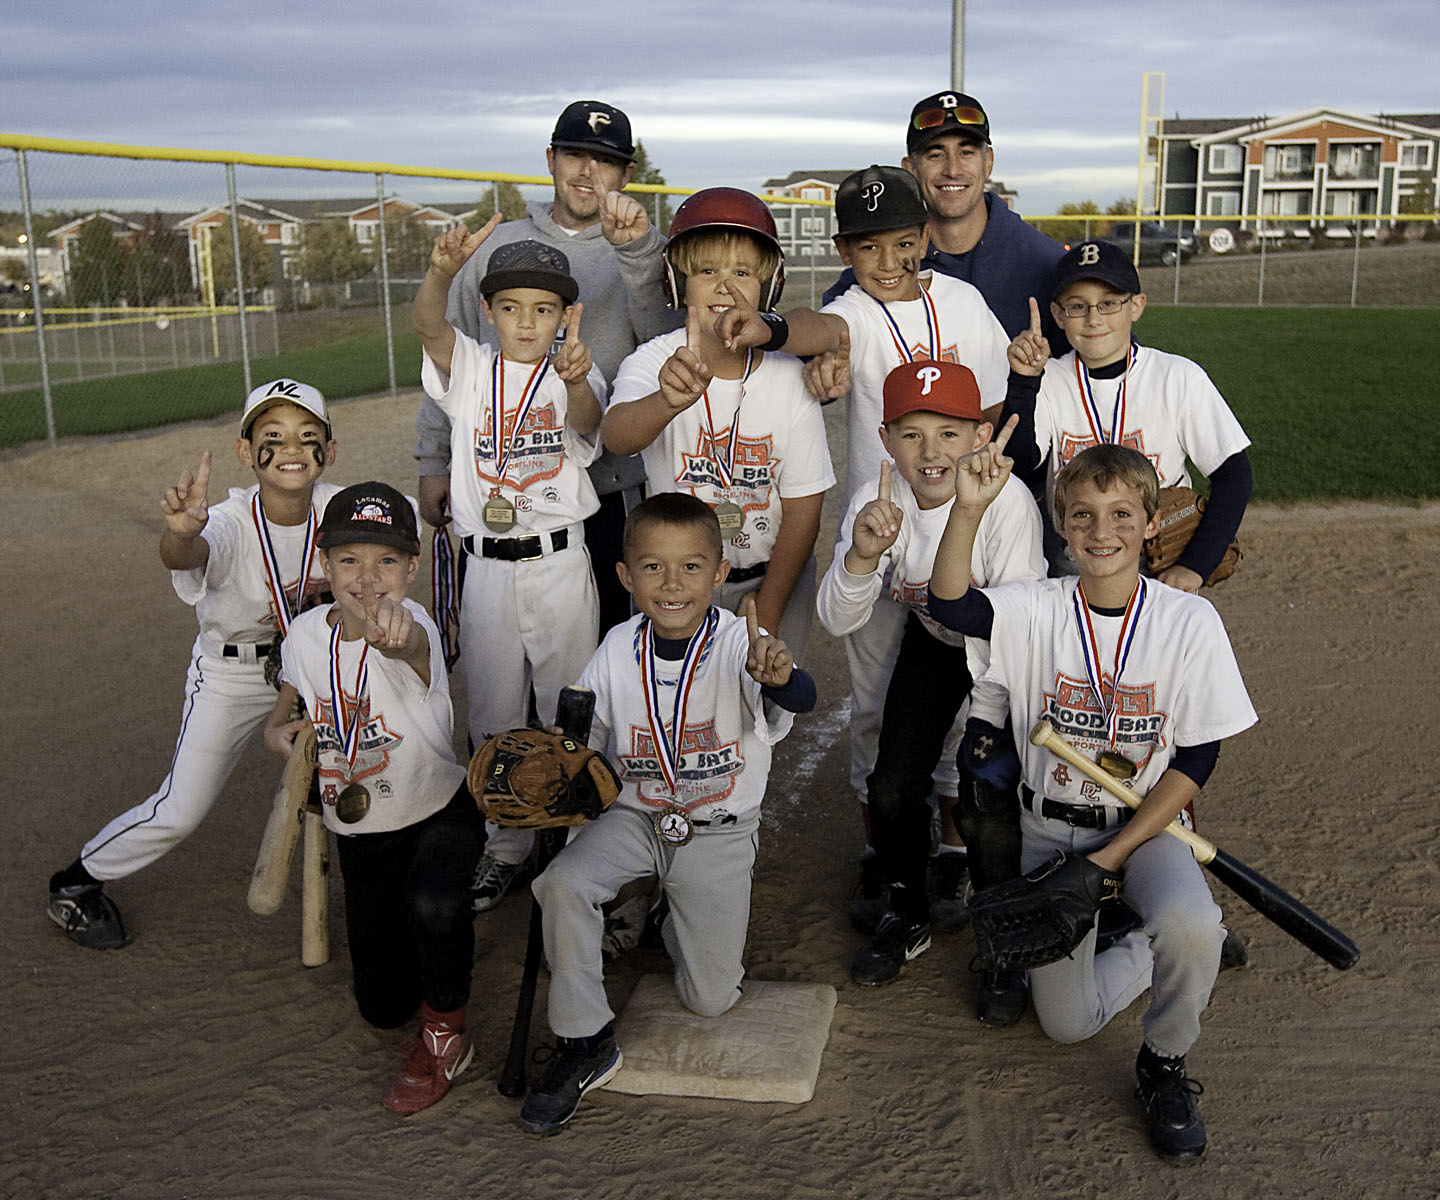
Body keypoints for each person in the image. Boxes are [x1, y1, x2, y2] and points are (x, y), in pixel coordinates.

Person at [926, 435, 1257, 1165]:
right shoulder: (1036, 608)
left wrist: (1109, 858)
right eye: (1082, 515)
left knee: (1193, 926)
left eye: (1120, 513)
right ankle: (1136, 941)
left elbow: (1200, 754)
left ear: (1149, 524)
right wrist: (967, 509)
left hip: (1146, 831)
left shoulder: (1188, 621)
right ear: (1063, 526)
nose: (1101, 531)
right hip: (1048, 831)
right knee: (1068, 1025)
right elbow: (949, 601)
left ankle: (1165, 1064)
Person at [718, 163, 1010, 943]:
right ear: (847, 249)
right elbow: (826, 331)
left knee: (961, 706)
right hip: (880, 530)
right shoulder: (855, 310)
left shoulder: (965, 303)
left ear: (926, 239)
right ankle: (885, 851)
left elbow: (988, 403)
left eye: (904, 242)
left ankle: (949, 846)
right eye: (870, 247)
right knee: (879, 710)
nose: (889, 261)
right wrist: (774, 331)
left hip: (956, 525)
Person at [517, 493, 816, 1135]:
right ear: (626, 577)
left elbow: (801, 694)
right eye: (653, 567)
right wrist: (557, 771)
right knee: (561, 883)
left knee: (709, 1000)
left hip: (717, 826)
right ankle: (584, 1040)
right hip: (637, 816)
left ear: (719, 572)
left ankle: (673, 915)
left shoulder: (742, 642)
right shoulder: (617, 647)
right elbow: (584, 744)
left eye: (690, 567)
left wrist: (779, 674)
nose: (672, 584)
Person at [46, 379, 342, 949]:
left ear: (329, 450)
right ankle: (76, 882)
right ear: (244, 451)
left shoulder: (337, 507)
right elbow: (188, 552)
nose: (290, 450)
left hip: (314, 666)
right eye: (272, 437)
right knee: (180, 809)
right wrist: (179, 533)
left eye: (308, 438)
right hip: (234, 674)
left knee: (369, 762)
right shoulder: (230, 520)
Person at [816, 362, 1042, 985]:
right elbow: (837, 620)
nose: (931, 450)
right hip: (935, 641)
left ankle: (1001, 936)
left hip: (1001, 655)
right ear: (886, 439)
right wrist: (862, 556)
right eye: (912, 434)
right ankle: (905, 907)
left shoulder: (1009, 501)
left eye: (948, 432)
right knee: (891, 782)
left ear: (979, 435)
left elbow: (1018, 625)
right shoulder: (876, 496)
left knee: (984, 792)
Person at [415, 98, 679, 632]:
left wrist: (638, 255)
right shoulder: (499, 247)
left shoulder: (646, 250)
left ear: (627, 173)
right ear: (550, 159)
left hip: (604, 488)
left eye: (604, 160)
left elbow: (663, 349)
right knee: (503, 651)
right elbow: (450, 355)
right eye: (574, 155)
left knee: (598, 649)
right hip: (501, 489)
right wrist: (432, 459)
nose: (587, 172)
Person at [262, 482, 484, 1115]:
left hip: (437, 810)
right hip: (359, 831)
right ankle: (426, 955)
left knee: (434, 906)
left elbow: (408, 645)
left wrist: (396, 637)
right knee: (383, 1009)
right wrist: (278, 730)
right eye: (349, 560)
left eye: (386, 561)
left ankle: (446, 1036)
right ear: (323, 566)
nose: (367, 578)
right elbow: (288, 701)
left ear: (412, 568)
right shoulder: (304, 635)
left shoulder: (416, 631)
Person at [413, 226, 606, 913]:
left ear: (563, 316)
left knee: (569, 708)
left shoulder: (573, 370)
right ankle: (505, 846)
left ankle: (575, 848)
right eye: (513, 306)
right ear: (491, 312)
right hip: (488, 567)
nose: (528, 321)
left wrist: (580, 378)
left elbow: (588, 427)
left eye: (545, 308)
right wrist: (440, 274)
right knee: (494, 715)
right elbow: (428, 323)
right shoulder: (469, 367)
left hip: (559, 559)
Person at [604, 188, 833, 658]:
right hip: (677, 587)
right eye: (706, 271)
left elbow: (804, 512)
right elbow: (617, 437)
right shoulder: (654, 361)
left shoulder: (790, 376)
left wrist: (765, 618)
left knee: (764, 718)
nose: (724, 286)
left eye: (743, 273)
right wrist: (665, 403)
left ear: (767, 289)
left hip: (774, 577)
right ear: (677, 283)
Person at [1003, 240, 1253, 590]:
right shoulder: (1050, 379)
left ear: (1136, 306)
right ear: (1058, 315)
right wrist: (1024, 382)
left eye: (1108, 304)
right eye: (1078, 306)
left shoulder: (1176, 377)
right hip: (1073, 562)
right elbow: (1020, 462)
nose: (1093, 319)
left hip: (1157, 563)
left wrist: (1195, 565)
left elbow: (1234, 475)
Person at [823, 90, 1067, 350]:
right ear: (910, 169)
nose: (952, 170)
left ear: (988, 162)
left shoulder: (1046, 263)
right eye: (935, 155)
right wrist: (823, 361)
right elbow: (826, 336)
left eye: (967, 152)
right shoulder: (884, 271)